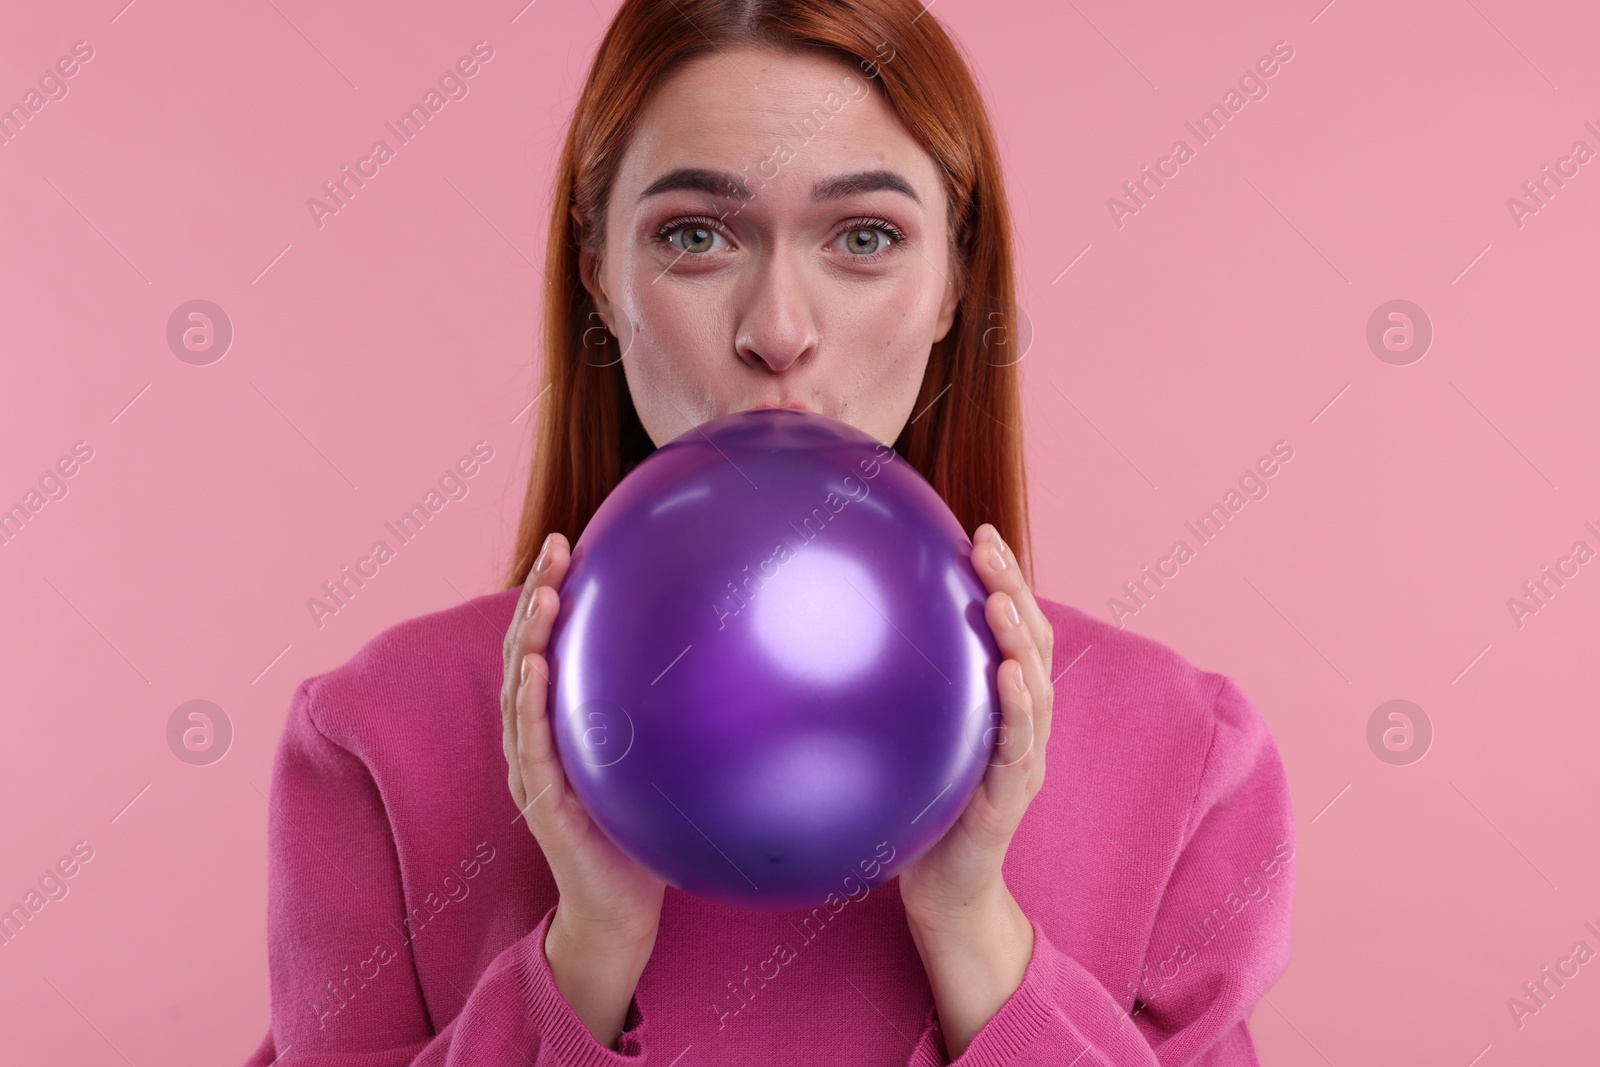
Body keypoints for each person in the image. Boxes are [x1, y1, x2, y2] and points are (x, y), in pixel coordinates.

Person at [240, 1, 1295, 1063]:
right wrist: (586, 949)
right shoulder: (373, 740)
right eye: (695, 234)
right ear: (600, 276)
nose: (778, 330)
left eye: (865, 236)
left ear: (953, 283)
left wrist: (975, 927)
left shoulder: (1183, 754)